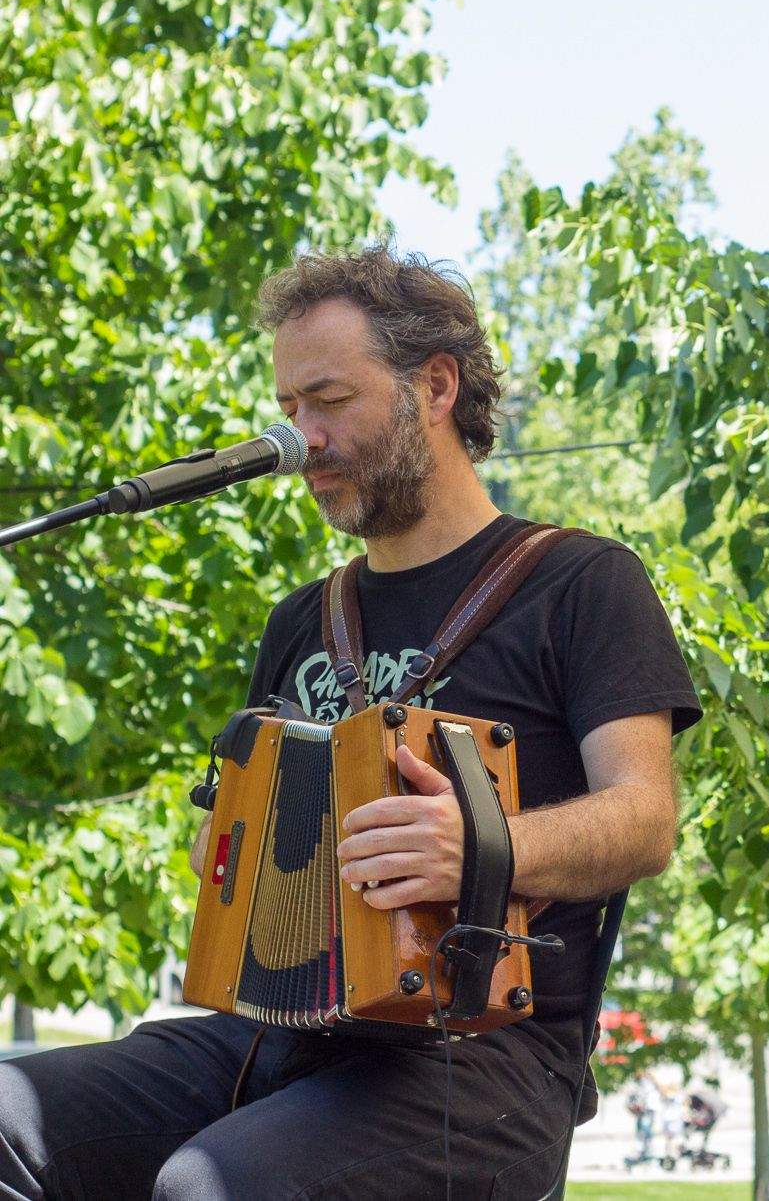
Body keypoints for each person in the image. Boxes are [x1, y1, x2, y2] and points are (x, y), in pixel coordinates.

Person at [0, 248, 701, 1199]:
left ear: (436, 387)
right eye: (289, 407)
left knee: (213, 1185)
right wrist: (229, 854)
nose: (303, 439)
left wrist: (481, 847)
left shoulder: (582, 581)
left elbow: (646, 819)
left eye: (328, 400)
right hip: (276, 1030)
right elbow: (242, 838)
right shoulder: (303, 617)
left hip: (481, 1056)